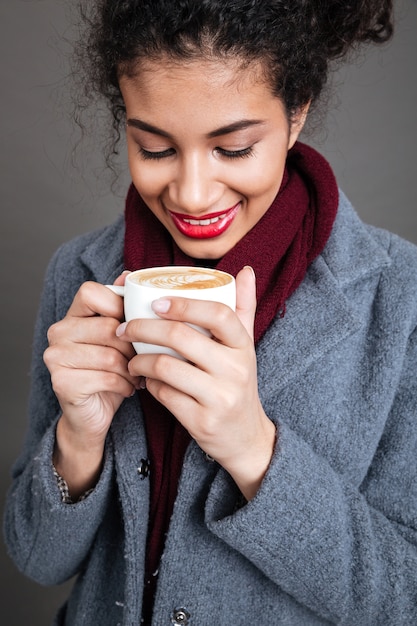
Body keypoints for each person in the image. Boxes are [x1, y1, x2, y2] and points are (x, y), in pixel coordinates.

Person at [4, 1, 417, 624]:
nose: (193, 195)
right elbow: (36, 560)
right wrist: (77, 441)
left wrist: (254, 451)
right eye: (155, 148)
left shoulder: (402, 298)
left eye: (234, 149)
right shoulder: (79, 273)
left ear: (297, 110)